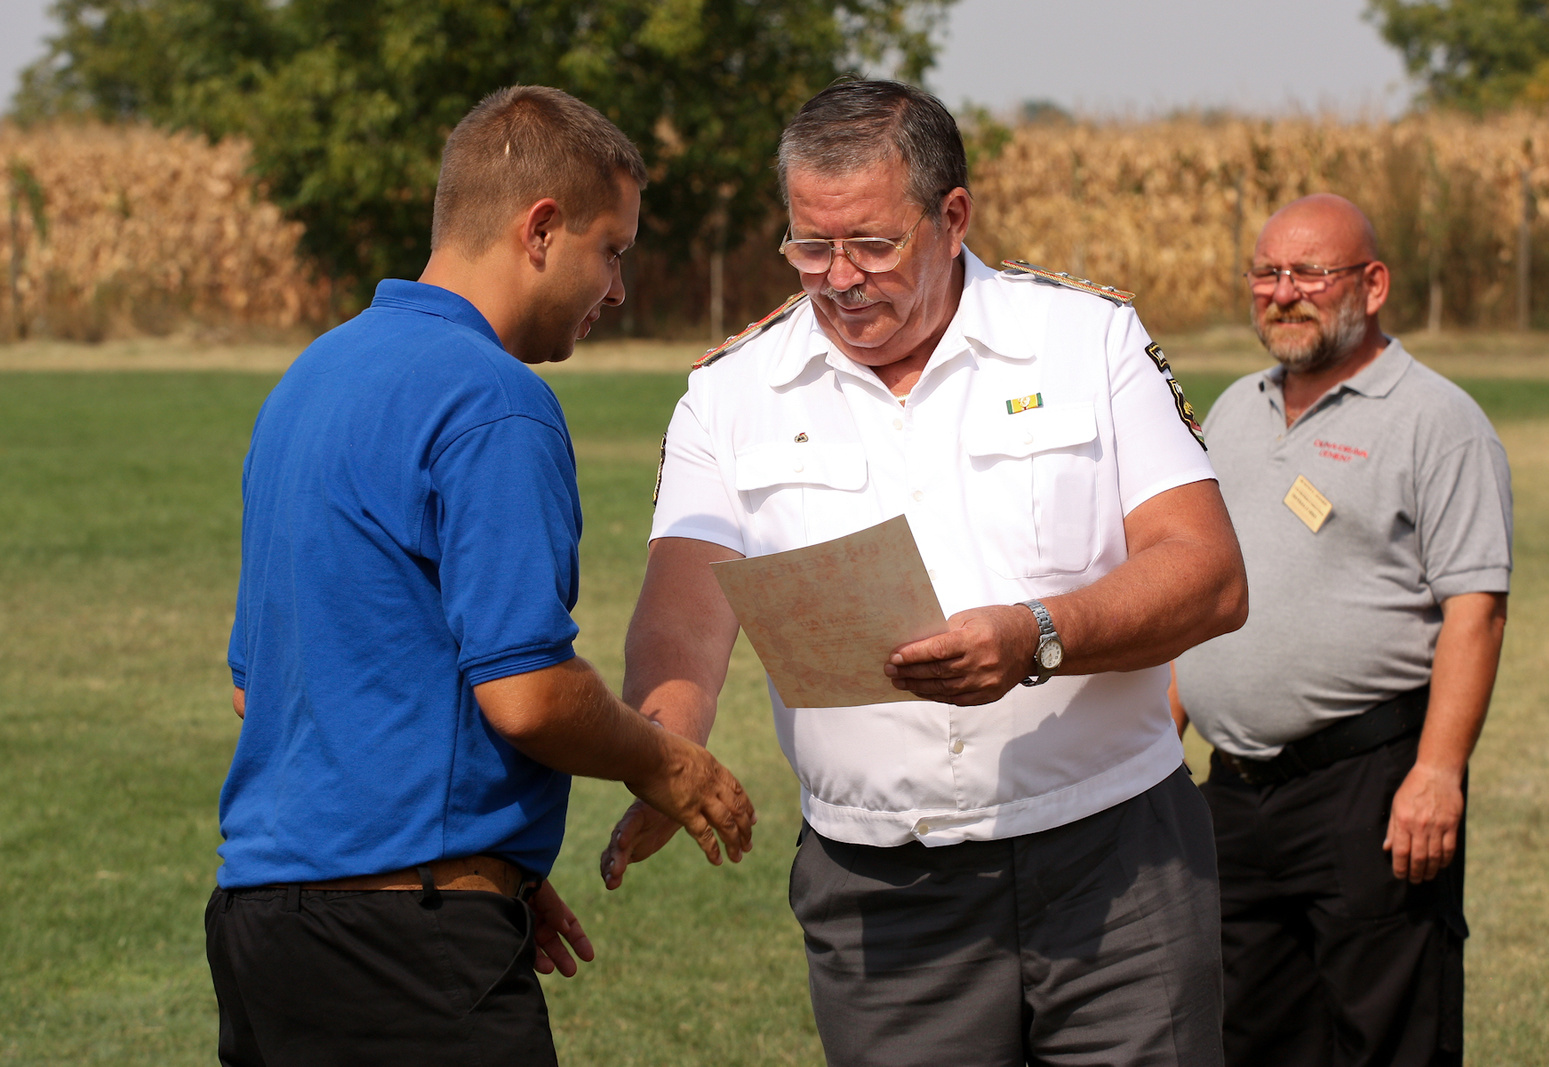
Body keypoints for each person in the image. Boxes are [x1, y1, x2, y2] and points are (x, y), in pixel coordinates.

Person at [600, 80, 1248, 1067]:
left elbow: (1207, 571)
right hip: (881, 891)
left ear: (953, 218)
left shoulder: (1087, 341)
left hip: (1112, 860)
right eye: (809, 246)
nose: (838, 277)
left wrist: (1036, 633)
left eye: (871, 243)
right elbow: (684, 610)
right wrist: (665, 748)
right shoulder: (729, 394)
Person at [206, 86, 755, 1067]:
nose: (618, 289)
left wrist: (482, 859)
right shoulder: (495, 399)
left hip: (265, 930)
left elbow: (264, 689)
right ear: (540, 228)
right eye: (612, 249)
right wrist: (668, 760)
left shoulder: (309, 380)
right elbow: (530, 693)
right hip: (402, 951)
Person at [1170, 193, 1512, 1067]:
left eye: (1311, 273)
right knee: (1250, 1033)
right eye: (1268, 273)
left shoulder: (1437, 421)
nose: (1285, 293)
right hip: (1234, 795)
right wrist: (1158, 736)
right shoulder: (1236, 411)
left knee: (1389, 1034)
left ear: (1374, 282)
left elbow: (1476, 608)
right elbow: (1202, 587)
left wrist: (1436, 774)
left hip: (1368, 786)